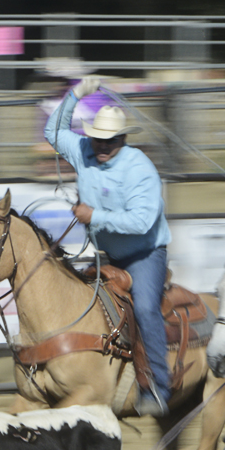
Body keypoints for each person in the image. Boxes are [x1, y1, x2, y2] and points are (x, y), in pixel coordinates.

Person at [44, 75, 172, 417]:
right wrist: (76, 94)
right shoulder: (83, 150)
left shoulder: (140, 169)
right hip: (108, 252)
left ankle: (159, 386)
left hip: (145, 254)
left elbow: (142, 221)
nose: (100, 147)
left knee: (145, 308)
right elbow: (52, 132)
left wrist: (93, 215)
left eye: (108, 141)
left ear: (122, 140)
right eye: (97, 139)